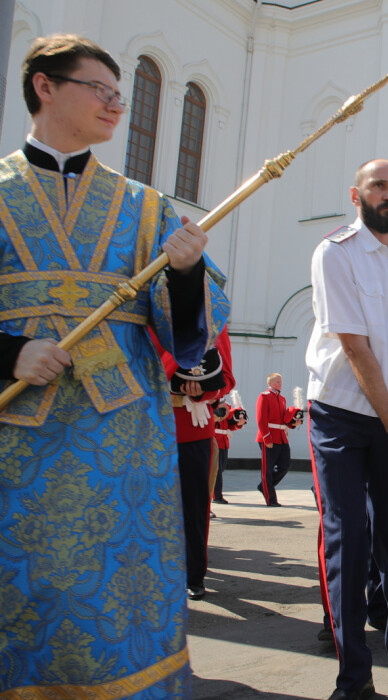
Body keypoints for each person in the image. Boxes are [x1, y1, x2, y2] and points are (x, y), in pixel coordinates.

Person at [0, 35, 228, 697]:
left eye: (119, 94)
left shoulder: (147, 207)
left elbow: (188, 343)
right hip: (18, 441)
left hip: (122, 448)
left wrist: (184, 275)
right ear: (44, 86)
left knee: (114, 602)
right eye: (100, 89)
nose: (115, 104)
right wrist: (9, 351)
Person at [306, 158, 388, 699]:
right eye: (379, 185)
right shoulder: (334, 253)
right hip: (340, 414)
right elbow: (354, 347)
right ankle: (353, 675)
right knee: (348, 540)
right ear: (355, 194)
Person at [153, 328, 235, 600]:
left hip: (192, 427)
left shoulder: (213, 320)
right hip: (148, 424)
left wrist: (202, 389)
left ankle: (193, 574)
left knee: (193, 508)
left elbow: (226, 379)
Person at [256, 372, 292, 506]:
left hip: (281, 437)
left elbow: (284, 418)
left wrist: (293, 422)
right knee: (268, 469)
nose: (279, 384)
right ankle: (271, 499)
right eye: (277, 382)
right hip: (269, 436)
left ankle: (264, 487)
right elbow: (261, 419)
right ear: (269, 383)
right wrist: (267, 437)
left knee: (285, 465)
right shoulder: (264, 396)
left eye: (280, 382)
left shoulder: (282, 398)